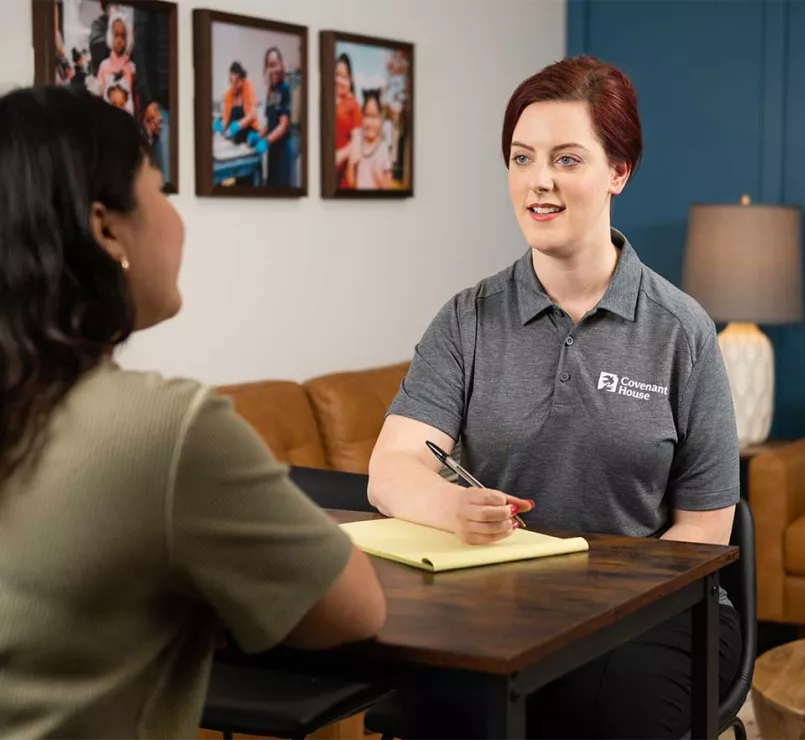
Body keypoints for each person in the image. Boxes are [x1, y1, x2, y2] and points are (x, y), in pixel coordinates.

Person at [367, 54, 741, 739]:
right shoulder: (465, 318)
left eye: (566, 159)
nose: (537, 182)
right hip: (497, 605)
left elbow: (704, 530)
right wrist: (454, 507)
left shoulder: (680, 329)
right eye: (520, 158)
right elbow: (391, 469)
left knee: (605, 712)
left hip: (651, 612)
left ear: (617, 172)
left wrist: (595, 606)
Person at [0, 86, 386, 739]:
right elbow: (353, 610)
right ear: (106, 229)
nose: (178, 218)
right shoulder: (161, 430)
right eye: (160, 188)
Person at [260, 47, 295, 188]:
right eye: (269, 65)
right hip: (272, 151)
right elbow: (270, 122)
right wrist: (258, 135)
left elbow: (282, 125)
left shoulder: (285, 88)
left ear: (281, 65)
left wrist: (266, 140)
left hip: (282, 152)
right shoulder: (270, 90)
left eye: (275, 64)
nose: (273, 69)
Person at [347, 89, 392, 190]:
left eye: (374, 117)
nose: (370, 122)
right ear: (362, 118)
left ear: (380, 119)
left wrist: (378, 177)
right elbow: (351, 183)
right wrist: (351, 164)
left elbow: (388, 188)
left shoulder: (383, 149)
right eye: (367, 116)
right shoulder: (357, 145)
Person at [97, 11, 137, 116]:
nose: (119, 40)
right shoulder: (104, 65)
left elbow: (135, 98)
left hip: (127, 121)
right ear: (111, 36)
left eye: (123, 36)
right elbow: (98, 94)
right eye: (116, 35)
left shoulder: (131, 68)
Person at [334, 52, 361, 189]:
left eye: (344, 77)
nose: (339, 80)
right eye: (336, 75)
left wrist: (339, 155)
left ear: (351, 80)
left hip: (343, 178)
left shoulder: (353, 104)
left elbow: (357, 141)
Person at [219, 61, 259, 146]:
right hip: (235, 139)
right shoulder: (229, 94)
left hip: (249, 135)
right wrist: (221, 126)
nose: (234, 86)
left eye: (236, 82)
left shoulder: (248, 86)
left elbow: (253, 114)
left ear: (242, 79)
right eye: (231, 82)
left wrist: (238, 125)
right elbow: (226, 118)